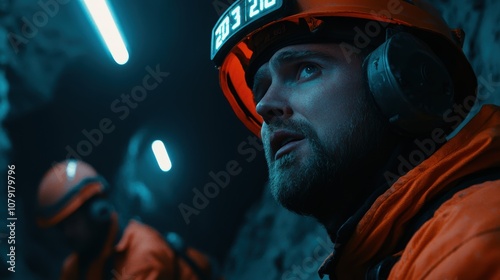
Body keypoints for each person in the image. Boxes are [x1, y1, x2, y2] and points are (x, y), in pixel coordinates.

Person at [210, 0, 500, 279]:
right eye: (261, 89)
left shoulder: (467, 244)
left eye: (306, 69)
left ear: (400, 78)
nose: (264, 106)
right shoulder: (391, 257)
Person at [36, 159, 218, 280]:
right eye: (61, 227)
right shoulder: (73, 269)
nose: (68, 233)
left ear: (98, 211)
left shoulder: (143, 255)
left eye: (73, 222)